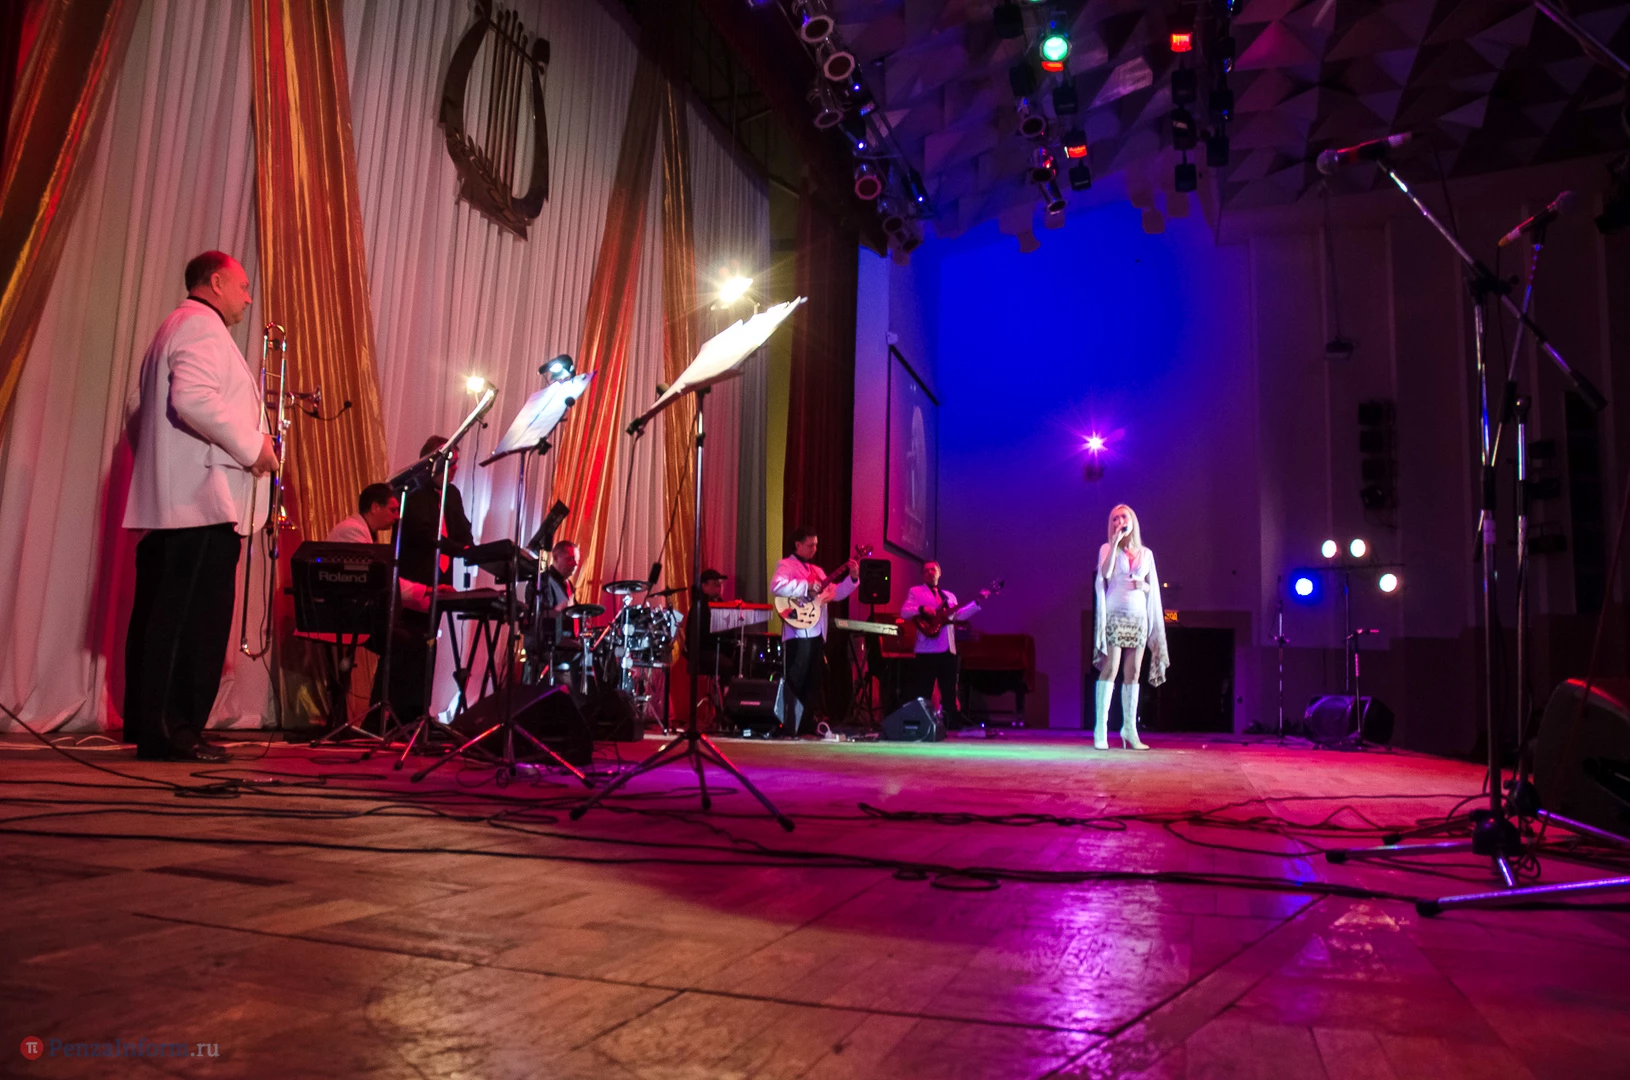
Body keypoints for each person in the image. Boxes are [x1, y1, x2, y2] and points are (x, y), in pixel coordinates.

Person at [122, 251, 277, 762]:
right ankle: (175, 730)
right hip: (200, 504)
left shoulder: (175, 327)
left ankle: (154, 724)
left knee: (163, 617)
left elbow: (140, 412)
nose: (248, 298)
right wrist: (255, 448)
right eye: (243, 286)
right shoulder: (200, 327)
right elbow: (192, 399)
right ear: (216, 282)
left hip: (180, 502)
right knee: (195, 623)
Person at [371, 437, 473, 725]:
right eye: (451, 463)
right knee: (401, 649)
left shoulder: (452, 495)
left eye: (457, 464)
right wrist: (459, 547)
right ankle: (384, 716)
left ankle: (416, 716)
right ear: (433, 462)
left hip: (440, 583)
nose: (455, 469)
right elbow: (428, 536)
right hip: (412, 582)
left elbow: (464, 534)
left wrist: (465, 547)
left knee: (426, 650)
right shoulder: (412, 493)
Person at [1091, 504, 1169, 750]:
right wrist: (1115, 542)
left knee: (1133, 672)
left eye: (1123, 517)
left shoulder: (1146, 553)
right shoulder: (1106, 548)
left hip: (1138, 616)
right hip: (1115, 613)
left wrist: (1142, 586)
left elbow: (1151, 586)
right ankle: (1101, 730)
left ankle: (1129, 729)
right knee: (1111, 668)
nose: (1119, 522)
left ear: (1132, 520)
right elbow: (1105, 574)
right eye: (1115, 519)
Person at [771, 526, 859, 735]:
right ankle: (788, 722)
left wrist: (853, 578)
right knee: (796, 677)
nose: (814, 549)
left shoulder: (818, 570)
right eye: (810, 545)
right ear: (798, 545)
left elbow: (835, 593)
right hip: (797, 632)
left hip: (817, 631)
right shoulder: (786, 565)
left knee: (813, 679)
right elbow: (776, 586)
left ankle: (806, 722)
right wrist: (805, 586)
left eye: (816, 545)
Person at [900, 561, 982, 728]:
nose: (930, 572)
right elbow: (905, 612)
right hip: (926, 649)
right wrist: (921, 609)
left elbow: (958, 616)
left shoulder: (949, 596)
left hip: (947, 648)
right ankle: (922, 721)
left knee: (949, 689)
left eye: (933, 569)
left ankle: (951, 721)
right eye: (926, 570)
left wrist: (977, 602)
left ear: (939, 572)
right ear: (923, 574)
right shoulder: (916, 591)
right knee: (923, 688)